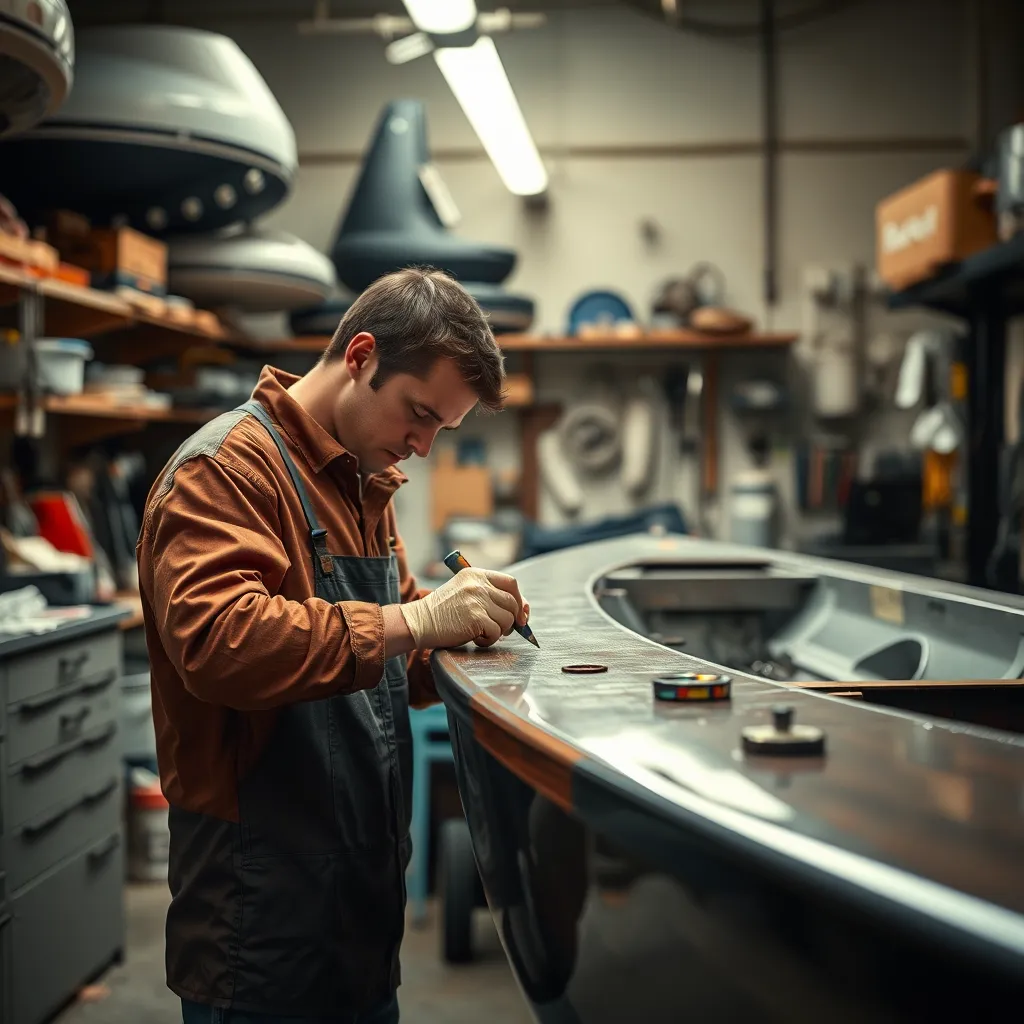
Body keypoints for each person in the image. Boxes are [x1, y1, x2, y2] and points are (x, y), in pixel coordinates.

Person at [136, 267, 532, 1024]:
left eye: (439, 431)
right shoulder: (224, 470)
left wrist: (464, 632)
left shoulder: (361, 480)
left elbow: (389, 656)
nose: (420, 447)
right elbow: (220, 642)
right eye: (417, 415)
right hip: (259, 916)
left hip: (357, 908)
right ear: (359, 357)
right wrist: (416, 622)